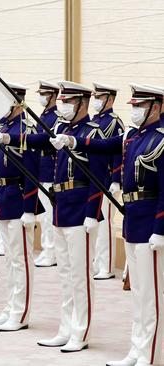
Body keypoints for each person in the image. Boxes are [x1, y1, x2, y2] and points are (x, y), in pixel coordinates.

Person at [51, 83, 164, 366]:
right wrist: (75, 142)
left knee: (152, 295)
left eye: (140, 105)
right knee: (139, 293)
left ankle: (152, 355)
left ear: (157, 107)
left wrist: (160, 229)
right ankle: (138, 349)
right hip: (134, 219)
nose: (135, 110)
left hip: (151, 221)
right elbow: (104, 145)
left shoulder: (161, 140)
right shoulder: (132, 136)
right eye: (134, 105)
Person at [0, 81, 106, 352]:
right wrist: (10, 139)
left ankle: (81, 331)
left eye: (67, 101)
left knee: (80, 276)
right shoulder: (60, 129)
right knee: (66, 274)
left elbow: (99, 175)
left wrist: (92, 212)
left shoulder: (95, 132)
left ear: (81, 103)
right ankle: (66, 328)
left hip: (81, 209)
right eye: (62, 100)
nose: (62, 105)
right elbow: (38, 140)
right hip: (61, 206)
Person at [0, 83, 41, 332]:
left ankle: (21, 312)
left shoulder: (26, 128)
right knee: (9, 259)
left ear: (17, 102)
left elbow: (32, 169)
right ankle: (9, 308)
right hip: (4, 196)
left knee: (21, 260)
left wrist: (30, 207)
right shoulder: (4, 127)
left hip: (18, 198)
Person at [90, 82, 124, 280]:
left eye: (100, 97)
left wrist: (116, 179)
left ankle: (107, 266)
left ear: (110, 99)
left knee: (105, 225)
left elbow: (118, 152)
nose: (96, 100)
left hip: (107, 180)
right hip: (95, 178)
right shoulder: (96, 120)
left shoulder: (114, 122)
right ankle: (96, 261)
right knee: (95, 223)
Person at [33, 80, 60, 267]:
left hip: (50, 169)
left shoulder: (57, 117)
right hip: (41, 168)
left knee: (50, 214)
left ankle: (51, 251)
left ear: (53, 95)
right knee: (43, 215)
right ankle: (46, 248)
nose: (42, 97)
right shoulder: (44, 114)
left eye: (45, 94)